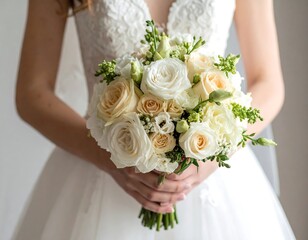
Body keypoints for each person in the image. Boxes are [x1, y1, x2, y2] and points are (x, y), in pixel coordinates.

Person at [13, 0, 295, 239]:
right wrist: (110, 158)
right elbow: (32, 94)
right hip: (99, 175)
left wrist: (208, 158)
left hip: (216, 179)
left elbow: (268, 83)